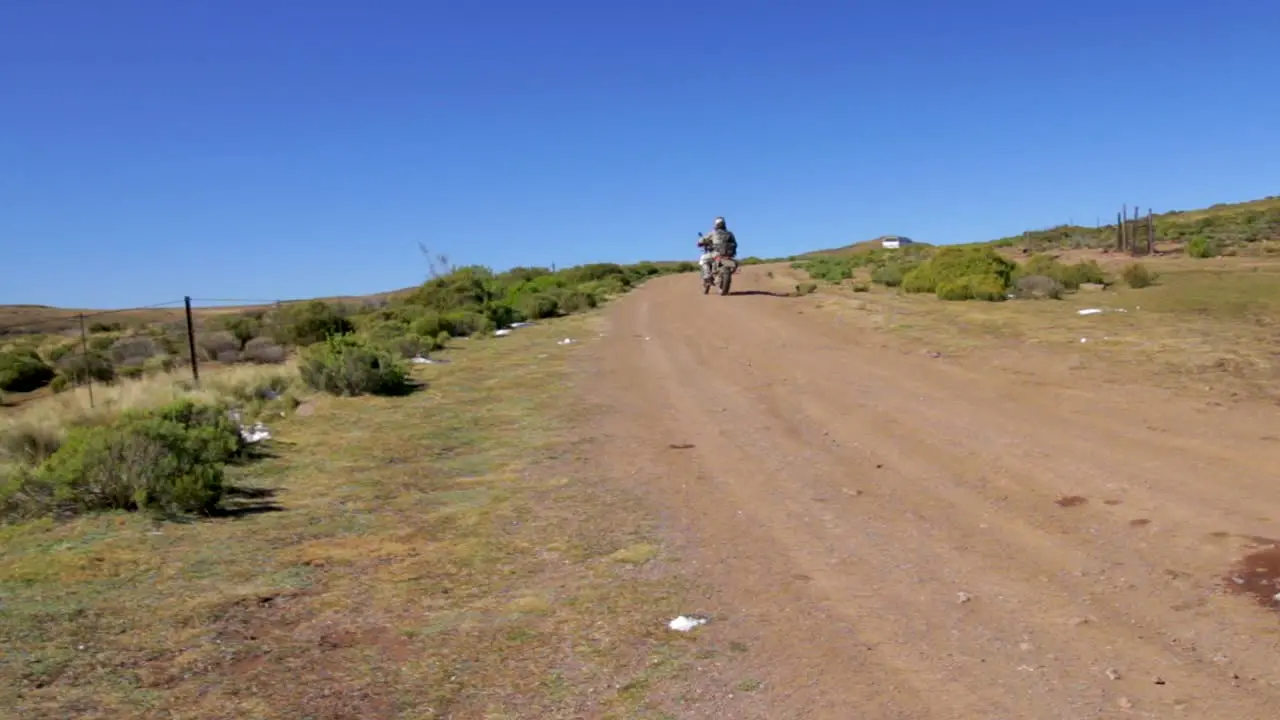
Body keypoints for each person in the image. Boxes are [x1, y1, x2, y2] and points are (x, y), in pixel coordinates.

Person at [697, 216, 738, 281]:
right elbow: (735, 243)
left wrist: (699, 242)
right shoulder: (730, 233)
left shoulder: (713, 233)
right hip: (729, 254)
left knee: (703, 259)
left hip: (716, 253)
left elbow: (703, 240)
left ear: (716, 224)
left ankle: (707, 275)